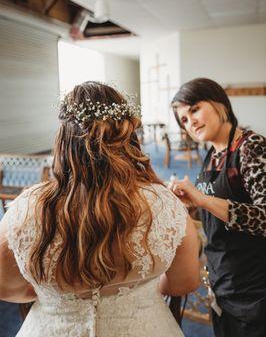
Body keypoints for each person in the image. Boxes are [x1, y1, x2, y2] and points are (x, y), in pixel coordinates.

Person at [0, 81, 200, 337]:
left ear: (63, 139)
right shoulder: (165, 203)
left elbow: (5, 286)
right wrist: (139, 292)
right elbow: (185, 282)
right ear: (129, 138)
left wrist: (55, 297)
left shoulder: (24, 209)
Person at [169, 77, 266, 337]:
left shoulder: (251, 148)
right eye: (184, 121)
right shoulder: (213, 154)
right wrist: (192, 206)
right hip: (223, 281)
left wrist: (202, 199)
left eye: (194, 109)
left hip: (255, 287)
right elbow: (220, 211)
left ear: (218, 102)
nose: (191, 122)